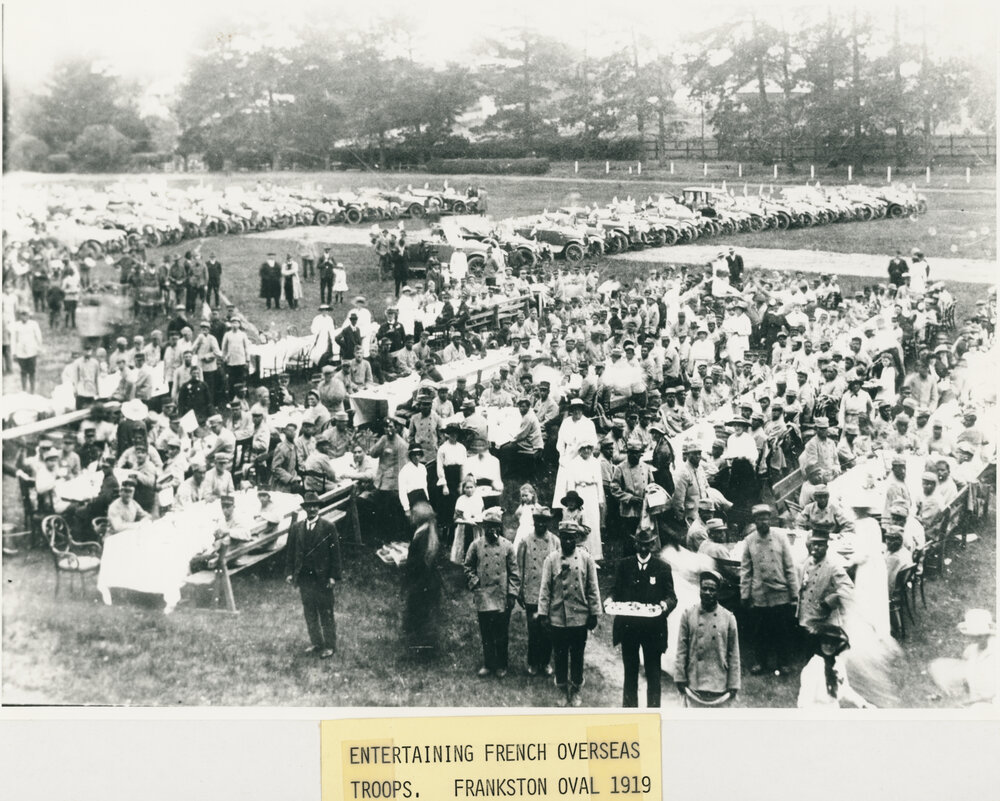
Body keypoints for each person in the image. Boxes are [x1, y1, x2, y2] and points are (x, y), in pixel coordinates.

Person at [537, 521, 602, 707]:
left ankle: (575, 689)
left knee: (577, 655)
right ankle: (562, 689)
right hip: (558, 617)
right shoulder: (551, 560)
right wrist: (543, 614)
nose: (567, 541)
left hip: (579, 617)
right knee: (560, 655)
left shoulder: (586, 559)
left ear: (577, 539)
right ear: (560, 538)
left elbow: (592, 587)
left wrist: (594, 613)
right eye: (564, 537)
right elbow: (545, 589)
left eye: (571, 538)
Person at [611, 527, 677, 708]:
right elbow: (615, 591)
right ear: (635, 544)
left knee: (653, 673)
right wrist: (610, 600)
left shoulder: (662, 567)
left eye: (647, 544)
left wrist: (663, 605)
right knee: (630, 673)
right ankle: (630, 712)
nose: (643, 548)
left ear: (652, 545)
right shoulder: (624, 565)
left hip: (653, 630)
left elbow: (672, 597)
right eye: (640, 544)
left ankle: (653, 712)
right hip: (629, 628)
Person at [740, 503, 799, 676]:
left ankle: (783, 663)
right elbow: (746, 570)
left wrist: (794, 593)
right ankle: (760, 662)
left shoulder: (780, 538)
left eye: (766, 518)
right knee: (760, 631)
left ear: (770, 519)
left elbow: (789, 566)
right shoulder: (749, 541)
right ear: (755, 521)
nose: (763, 521)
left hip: (780, 592)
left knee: (782, 630)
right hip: (760, 593)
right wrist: (745, 594)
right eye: (759, 518)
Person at [463, 507, 520, 678]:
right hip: (483, 596)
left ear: (500, 527)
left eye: (495, 526)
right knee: (486, 632)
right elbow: (468, 566)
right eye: (488, 526)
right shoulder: (476, 545)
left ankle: (502, 664)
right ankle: (489, 663)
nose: (491, 530)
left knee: (501, 633)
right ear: (483, 527)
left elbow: (515, 573)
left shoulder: (508, 546)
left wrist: (512, 594)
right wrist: (475, 583)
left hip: (502, 596)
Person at [285, 492, 343, 659]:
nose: (312, 509)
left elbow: (335, 554)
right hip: (304, 577)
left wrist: (333, 576)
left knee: (325, 611)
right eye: (308, 506)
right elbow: (290, 552)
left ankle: (330, 645)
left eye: (314, 506)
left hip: (322, 578)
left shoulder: (328, 527)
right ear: (304, 509)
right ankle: (316, 643)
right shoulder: (297, 528)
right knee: (309, 610)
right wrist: (289, 572)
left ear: (319, 507)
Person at [674, 570, 741, 707]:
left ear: (718, 592)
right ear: (699, 590)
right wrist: (680, 677)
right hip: (694, 682)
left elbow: (733, 654)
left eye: (712, 589)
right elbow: (681, 649)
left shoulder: (728, 618)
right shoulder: (688, 615)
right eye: (704, 588)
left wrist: (734, 683)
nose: (708, 593)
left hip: (719, 684)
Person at [517, 508, 560, 677]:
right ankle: (533, 662)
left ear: (548, 523)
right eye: (538, 521)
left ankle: (545, 662)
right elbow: (519, 566)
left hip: (550, 593)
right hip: (532, 591)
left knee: (548, 628)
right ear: (534, 522)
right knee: (534, 629)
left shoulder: (555, 541)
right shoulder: (525, 541)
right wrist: (520, 590)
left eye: (545, 522)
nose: (541, 525)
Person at [798, 523, 853, 646]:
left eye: (820, 545)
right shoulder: (807, 562)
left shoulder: (833, 566)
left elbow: (848, 588)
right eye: (814, 544)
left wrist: (830, 601)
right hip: (806, 614)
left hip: (823, 617)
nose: (816, 548)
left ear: (827, 547)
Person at [797, 625, 874, 708]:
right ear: (819, 643)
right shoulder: (813, 667)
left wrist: (862, 703)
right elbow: (805, 701)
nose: (829, 646)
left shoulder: (838, 663)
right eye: (826, 642)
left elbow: (845, 689)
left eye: (833, 643)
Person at [403, 502, 442, 661]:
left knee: (420, 615)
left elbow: (417, 563)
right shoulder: (427, 532)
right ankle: (425, 648)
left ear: (417, 517)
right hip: (429, 582)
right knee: (425, 614)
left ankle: (423, 651)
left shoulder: (422, 536)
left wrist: (404, 561)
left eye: (412, 514)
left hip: (421, 582)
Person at [11, 308, 43, 393]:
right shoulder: (16, 325)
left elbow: (38, 337)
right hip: (20, 351)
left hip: (32, 351)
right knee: (23, 371)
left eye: (26, 314)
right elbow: (13, 339)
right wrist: (14, 353)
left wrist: (39, 348)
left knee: (32, 371)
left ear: (29, 315)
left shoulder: (33, 324)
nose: (24, 317)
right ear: (19, 316)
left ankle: (32, 390)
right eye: (22, 314)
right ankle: (24, 390)